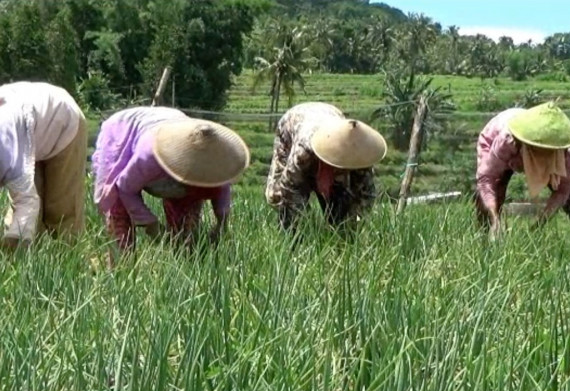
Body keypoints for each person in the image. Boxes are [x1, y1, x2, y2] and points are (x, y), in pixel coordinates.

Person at [92, 106, 250, 259]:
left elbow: (222, 188)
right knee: (119, 214)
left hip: (171, 123)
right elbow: (125, 188)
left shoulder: (214, 160)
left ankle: (185, 258)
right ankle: (121, 269)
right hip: (123, 132)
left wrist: (221, 225)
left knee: (186, 228)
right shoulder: (149, 156)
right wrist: (150, 224)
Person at [475, 101, 570, 239]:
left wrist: (540, 224)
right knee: (491, 192)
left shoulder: (564, 151)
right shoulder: (508, 140)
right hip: (496, 138)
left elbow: (563, 190)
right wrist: (494, 218)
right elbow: (487, 180)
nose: (544, 153)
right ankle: (488, 237)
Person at [265, 101, 387, 232]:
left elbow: (366, 195)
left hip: (331, 115)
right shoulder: (303, 152)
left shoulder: (361, 155)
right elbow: (289, 189)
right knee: (277, 196)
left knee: (343, 202)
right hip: (294, 122)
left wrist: (352, 224)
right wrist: (304, 227)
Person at [0, 81, 88, 249]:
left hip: (63, 119)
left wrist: (13, 241)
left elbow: (26, 200)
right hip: (30, 127)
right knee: (24, 221)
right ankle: (29, 266)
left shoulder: (6, 148)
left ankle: (70, 263)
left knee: (61, 211)